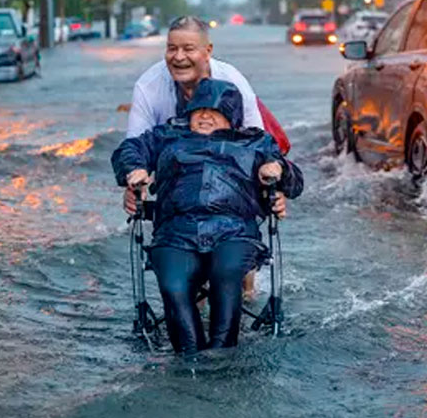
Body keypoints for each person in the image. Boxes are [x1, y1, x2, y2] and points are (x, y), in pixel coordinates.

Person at [111, 79, 303, 353]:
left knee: (226, 273)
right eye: (198, 110)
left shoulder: (256, 142)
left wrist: (277, 168)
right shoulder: (167, 135)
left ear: (232, 116)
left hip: (234, 231)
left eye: (213, 111)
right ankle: (190, 357)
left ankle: (221, 354)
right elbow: (129, 150)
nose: (203, 116)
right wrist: (134, 169)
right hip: (175, 231)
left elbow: (295, 184)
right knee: (174, 284)